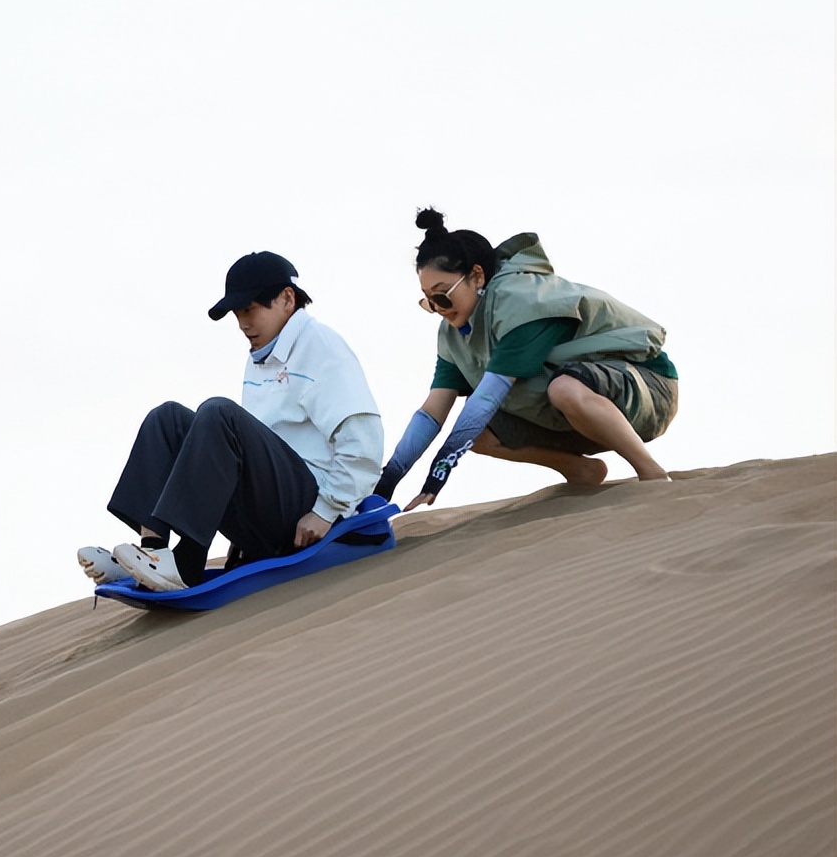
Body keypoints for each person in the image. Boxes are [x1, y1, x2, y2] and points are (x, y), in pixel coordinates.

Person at [78, 251, 384, 592]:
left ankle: (185, 563)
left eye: (250, 309)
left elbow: (364, 441)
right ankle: (151, 553)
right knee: (167, 418)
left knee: (219, 414)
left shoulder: (320, 345)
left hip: (312, 511)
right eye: (237, 313)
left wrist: (326, 510)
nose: (242, 323)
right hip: (276, 504)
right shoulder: (262, 357)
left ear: (286, 298)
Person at [376, 208, 679, 511]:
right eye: (429, 301)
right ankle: (580, 470)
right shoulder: (454, 335)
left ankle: (651, 473)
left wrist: (436, 476)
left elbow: (487, 397)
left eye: (443, 295)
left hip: (648, 390)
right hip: (578, 416)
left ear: (477, 276)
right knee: (478, 433)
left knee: (562, 389)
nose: (439, 308)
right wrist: (386, 483)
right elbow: (431, 413)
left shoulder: (519, 302)